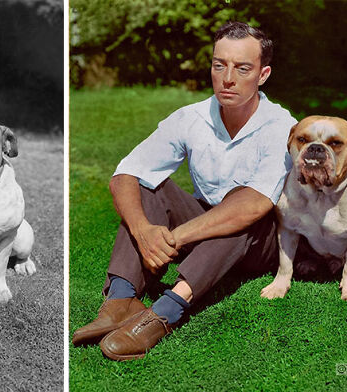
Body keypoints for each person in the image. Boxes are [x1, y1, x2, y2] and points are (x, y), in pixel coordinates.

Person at [72, 21, 297, 361]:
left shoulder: (281, 125)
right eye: (219, 65)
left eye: (242, 68)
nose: (227, 77)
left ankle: (167, 309)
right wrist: (144, 230)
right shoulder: (190, 117)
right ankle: (121, 299)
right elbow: (125, 174)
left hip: (258, 241)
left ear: (263, 74)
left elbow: (252, 205)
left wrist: (174, 238)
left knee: (240, 209)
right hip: (204, 223)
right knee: (148, 184)